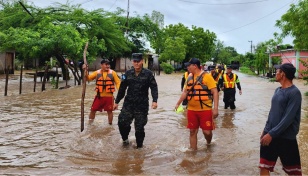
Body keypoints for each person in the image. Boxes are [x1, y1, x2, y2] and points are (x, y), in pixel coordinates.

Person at [259, 63, 302, 175]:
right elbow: (272, 112)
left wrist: (271, 134)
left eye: (277, 71)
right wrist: (265, 130)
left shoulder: (294, 93)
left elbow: (288, 119)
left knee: (294, 172)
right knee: (264, 167)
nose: (275, 73)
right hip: (270, 135)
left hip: (286, 138)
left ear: (283, 74)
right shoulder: (277, 90)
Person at [113, 53, 158, 149]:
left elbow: (154, 87)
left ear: (142, 61)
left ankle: (139, 148)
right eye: (134, 61)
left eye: (138, 61)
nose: (136, 63)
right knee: (122, 123)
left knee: (139, 128)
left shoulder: (148, 74)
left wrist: (155, 100)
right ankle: (125, 140)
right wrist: (116, 102)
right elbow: (122, 89)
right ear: (132, 62)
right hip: (128, 104)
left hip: (142, 105)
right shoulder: (127, 73)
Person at [175, 58, 219, 150]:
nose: (187, 67)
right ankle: (193, 153)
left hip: (205, 110)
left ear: (195, 66)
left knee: (207, 132)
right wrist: (178, 103)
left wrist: (215, 109)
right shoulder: (189, 77)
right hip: (191, 110)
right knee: (192, 131)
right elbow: (185, 92)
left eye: (189, 65)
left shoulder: (207, 77)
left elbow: (215, 92)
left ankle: (208, 142)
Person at [84, 59, 121, 125]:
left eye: (108, 64)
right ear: (101, 65)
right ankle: (90, 124)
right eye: (106, 64)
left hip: (109, 96)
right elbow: (88, 78)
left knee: (109, 111)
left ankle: (110, 125)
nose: (108, 66)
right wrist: (85, 70)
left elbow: (118, 83)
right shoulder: (97, 72)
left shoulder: (113, 73)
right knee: (93, 110)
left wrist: (120, 91)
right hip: (99, 96)